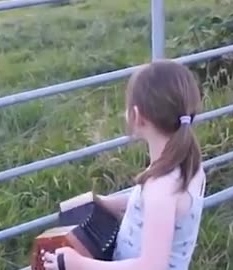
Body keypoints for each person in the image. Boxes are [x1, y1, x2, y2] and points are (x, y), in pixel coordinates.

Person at [43, 59, 207, 270]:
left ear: (137, 116)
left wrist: (81, 264)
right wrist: (110, 203)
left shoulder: (161, 187)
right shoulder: (185, 161)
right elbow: (160, 208)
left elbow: (152, 266)